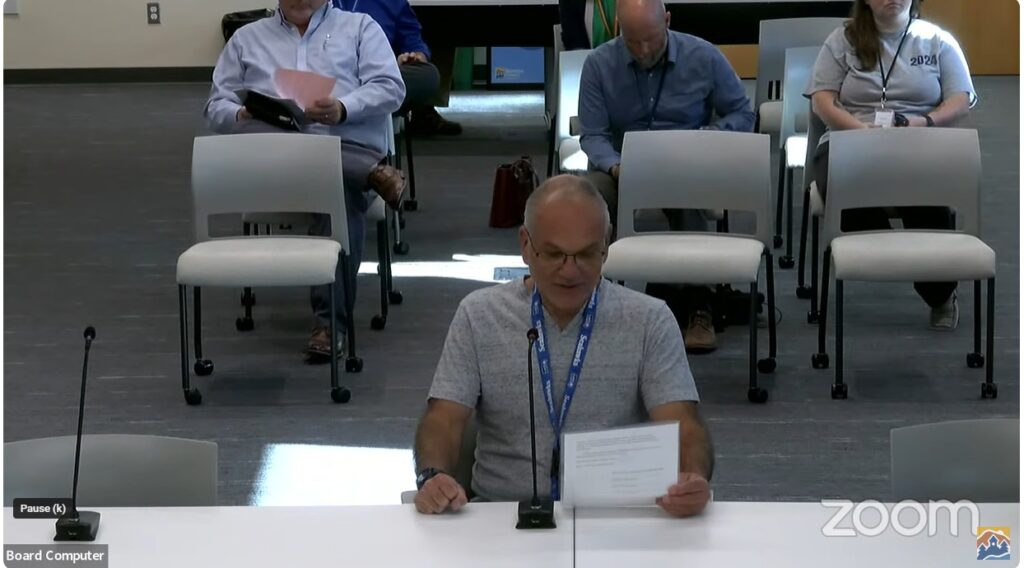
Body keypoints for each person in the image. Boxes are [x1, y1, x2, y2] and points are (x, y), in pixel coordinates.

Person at [412, 175, 713, 518]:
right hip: (501, 515)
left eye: (586, 254)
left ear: (607, 244)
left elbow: (683, 424)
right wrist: (432, 476)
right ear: (525, 244)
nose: (570, 271)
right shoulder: (479, 314)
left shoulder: (649, 319)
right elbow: (444, 419)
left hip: (614, 515)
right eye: (554, 254)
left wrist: (693, 477)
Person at [204, 0, 407, 361]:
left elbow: (391, 88)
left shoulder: (360, 28)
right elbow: (215, 107)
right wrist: (242, 111)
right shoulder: (246, 39)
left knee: (335, 184)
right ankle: (368, 170)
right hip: (272, 159)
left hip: (338, 145)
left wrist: (343, 107)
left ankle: (330, 325)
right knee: (312, 158)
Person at [577, 0, 755, 353]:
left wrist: (707, 139)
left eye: (651, 40)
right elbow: (593, 135)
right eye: (633, 41)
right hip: (622, 165)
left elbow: (741, 112)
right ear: (619, 29)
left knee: (685, 194)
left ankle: (697, 303)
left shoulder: (703, 56)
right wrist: (615, 166)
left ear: (668, 21)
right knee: (587, 198)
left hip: (686, 163)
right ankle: (590, 299)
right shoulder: (599, 64)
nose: (643, 50)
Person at [806, 0, 976, 330]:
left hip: (916, 141)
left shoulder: (936, 39)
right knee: (844, 196)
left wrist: (925, 121)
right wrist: (860, 132)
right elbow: (822, 100)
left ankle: (940, 293)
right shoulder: (842, 39)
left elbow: (961, 98)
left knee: (928, 204)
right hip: (851, 139)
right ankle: (903, 259)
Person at [332, 0, 462, 136]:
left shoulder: (394, 3)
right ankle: (355, 105)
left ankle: (348, 106)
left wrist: (415, 57)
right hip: (327, 72)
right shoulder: (319, 4)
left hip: (375, 76)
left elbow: (413, 42)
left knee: (428, 75)